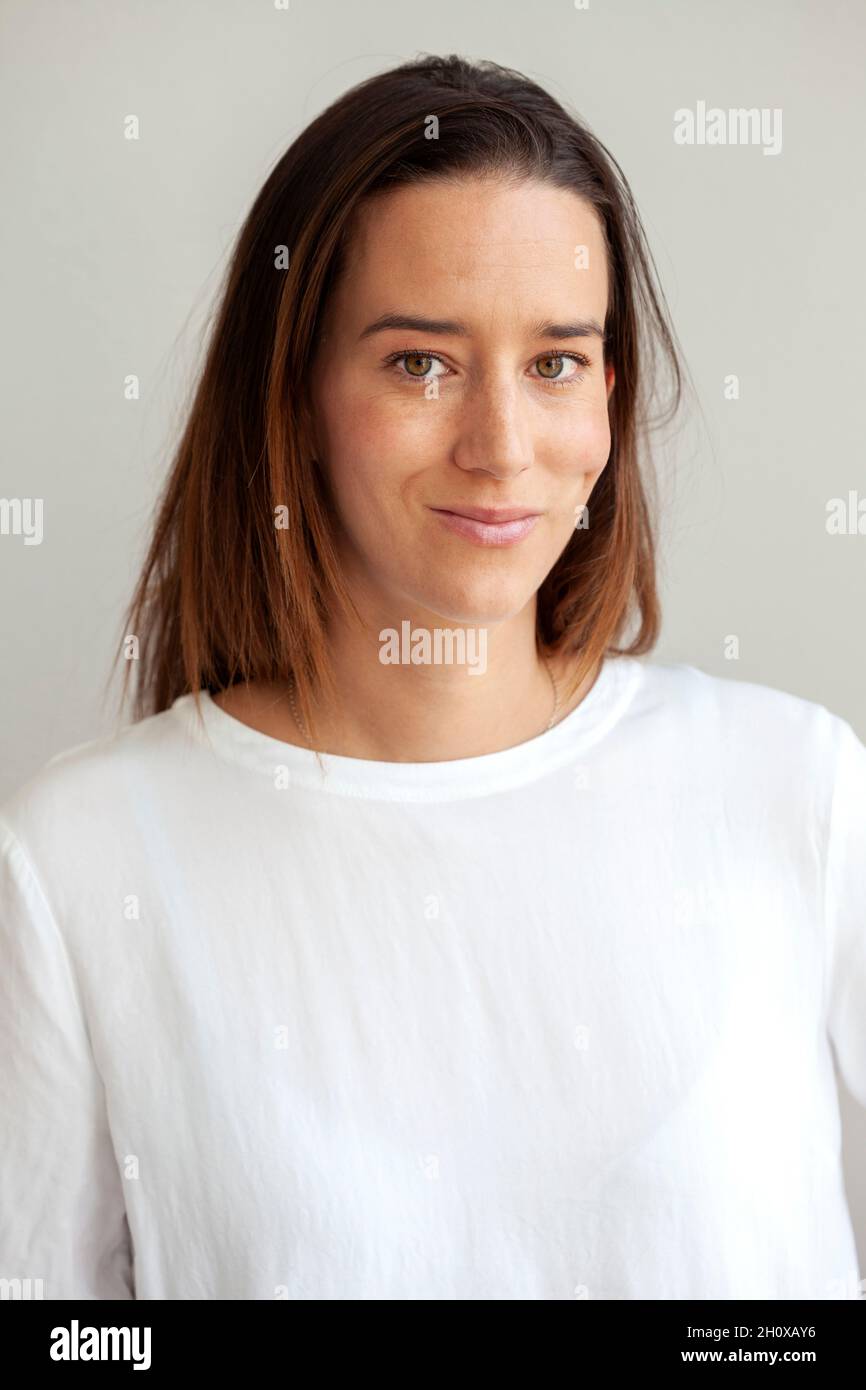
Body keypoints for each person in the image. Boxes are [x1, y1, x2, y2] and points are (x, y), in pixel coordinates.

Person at [1, 54, 864, 1302]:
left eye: (555, 362)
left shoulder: (801, 791)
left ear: (608, 395)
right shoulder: (75, 868)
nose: (500, 448)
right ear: (292, 396)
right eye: (420, 362)